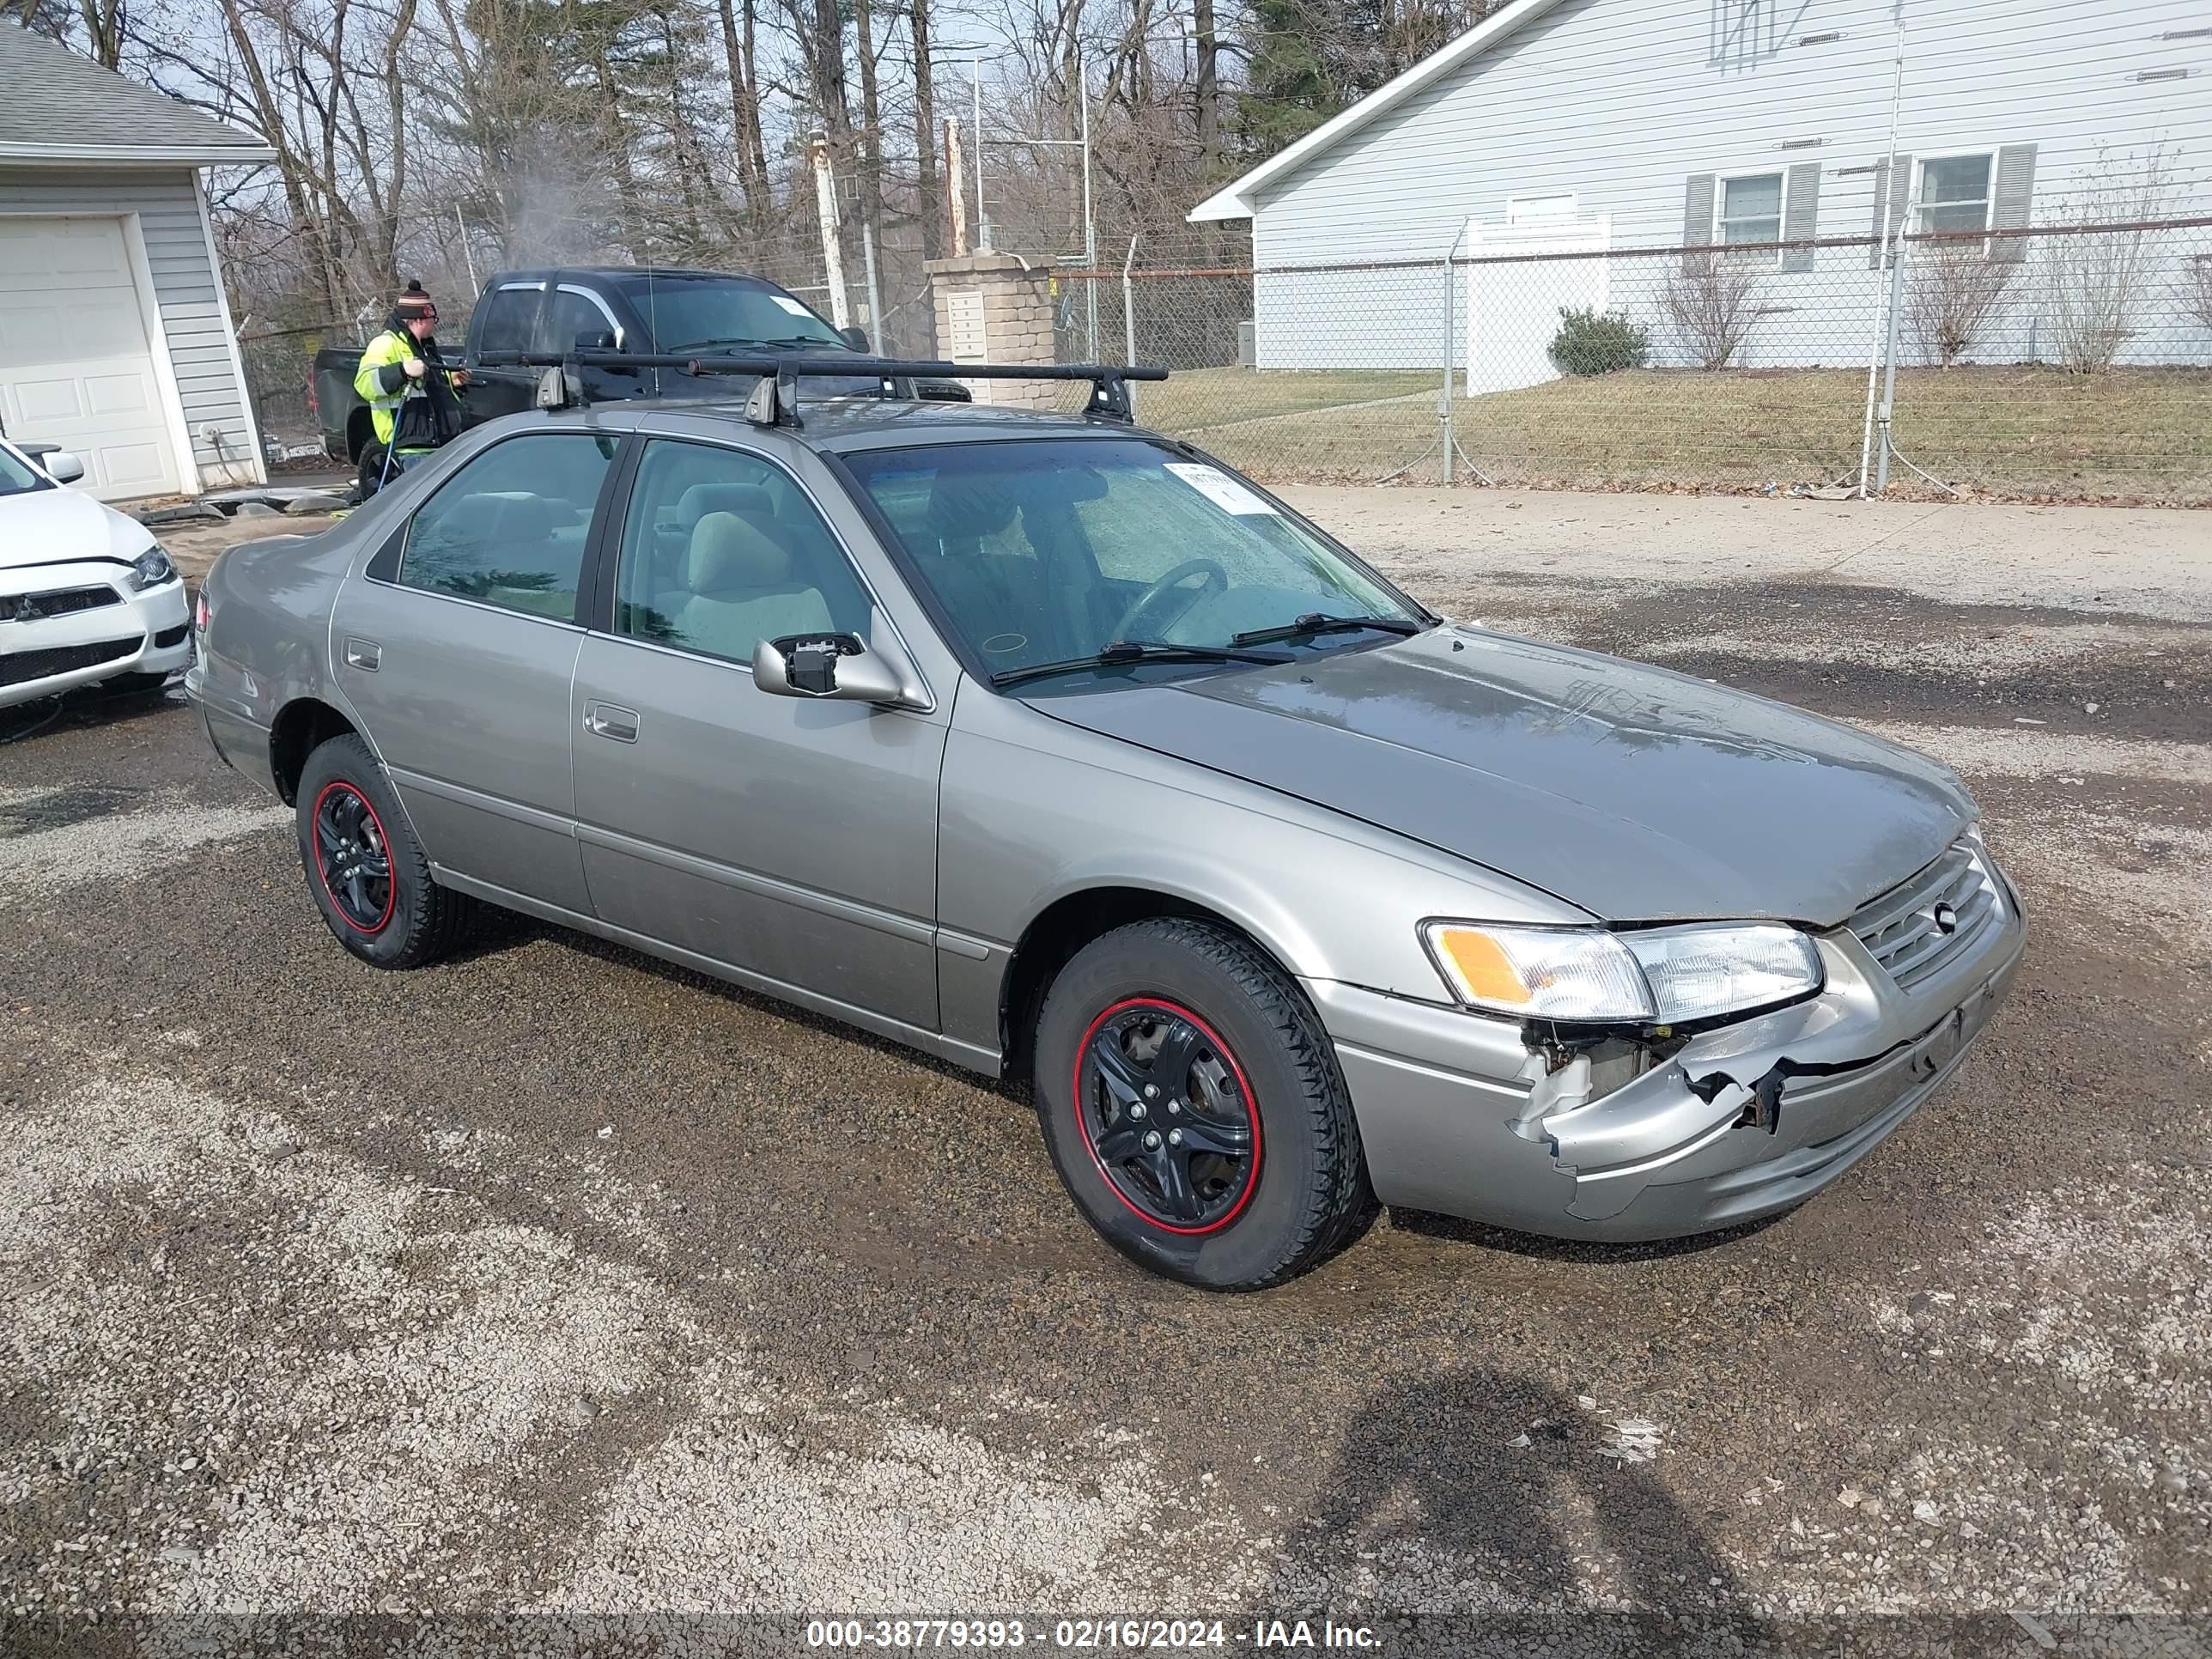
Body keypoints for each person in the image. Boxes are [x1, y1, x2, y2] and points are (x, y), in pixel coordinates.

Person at [351, 280, 469, 500]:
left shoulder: (424, 346)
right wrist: (401, 371)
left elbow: (427, 388)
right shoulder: (385, 344)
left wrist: (452, 382)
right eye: (432, 319)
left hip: (435, 444)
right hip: (409, 446)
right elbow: (364, 383)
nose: (434, 324)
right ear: (419, 319)